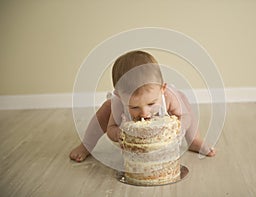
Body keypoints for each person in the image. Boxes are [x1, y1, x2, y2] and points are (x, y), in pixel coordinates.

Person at [69, 50, 216, 162]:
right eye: (134, 107)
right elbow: (110, 129)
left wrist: (179, 127)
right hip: (126, 129)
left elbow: (185, 117)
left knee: (182, 101)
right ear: (120, 96)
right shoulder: (119, 103)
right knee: (106, 108)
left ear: (162, 89)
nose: (144, 113)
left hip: (169, 122)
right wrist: (118, 134)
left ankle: (194, 140)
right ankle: (86, 144)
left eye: (151, 104)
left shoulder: (168, 97)